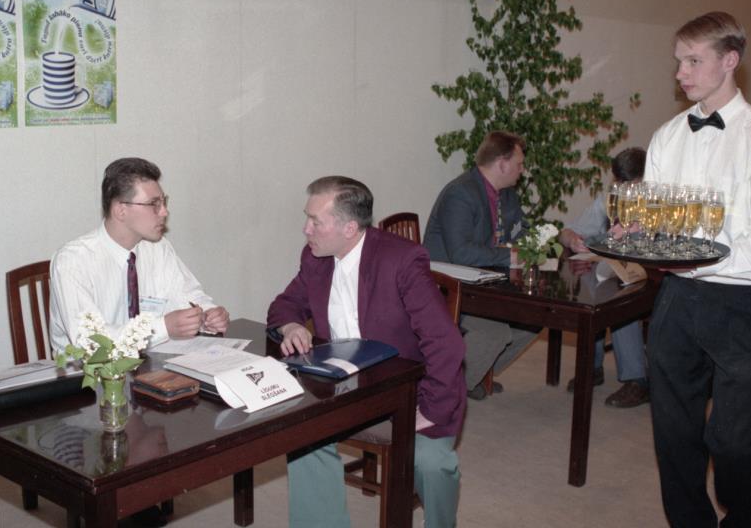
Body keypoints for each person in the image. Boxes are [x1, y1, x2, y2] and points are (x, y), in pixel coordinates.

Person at [643, 12, 751, 527]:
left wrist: (702, 259)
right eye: (678, 61)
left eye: (694, 61)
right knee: (674, 434)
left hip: (741, 304)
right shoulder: (668, 136)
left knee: (735, 439)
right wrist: (641, 233)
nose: (680, 73)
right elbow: (659, 221)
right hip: (676, 302)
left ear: (730, 60)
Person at [267, 176, 465, 528]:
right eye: (307, 218)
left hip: (407, 391)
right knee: (303, 438)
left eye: (315, 221)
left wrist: (430, 409)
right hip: (345, 389)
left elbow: (445, 342)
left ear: (349, 228)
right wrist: (292, 325)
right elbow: (284, 305)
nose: (305, 229)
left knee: (433, 463)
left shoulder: (402, 260)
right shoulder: (316, 257)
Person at [50, 157, 230, 355]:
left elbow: (187, 296)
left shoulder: (158, 248)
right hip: (87, 371)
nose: (164, 212)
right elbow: (90, 341)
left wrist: (208, 314)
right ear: (121, 211)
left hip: (149, 363)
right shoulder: (73, 261)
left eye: (164, 202)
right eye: (154, 204)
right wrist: (163, 327)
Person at [422, 130, 541, 400]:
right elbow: (461, 253)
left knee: (532, 321)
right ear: (502, 163)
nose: (522, 170)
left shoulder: (507, 195)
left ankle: (475, 373)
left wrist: (545, 240)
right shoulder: (460, 193)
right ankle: (446, 390)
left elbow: (522, 231)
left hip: (484, 281)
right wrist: (510, 256)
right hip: (446, 286)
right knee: (494, 333)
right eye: (519, 164)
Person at [558, 147, 650, 408]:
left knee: (621, 298)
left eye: (630, 184)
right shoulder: (610, 198)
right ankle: (592, 367)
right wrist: (573, 240)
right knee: (589, 285)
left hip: (649, 274)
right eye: (619, 182)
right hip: (614, 269)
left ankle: (637, 380)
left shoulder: (657, 203)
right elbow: (567, 231)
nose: (623, 189)